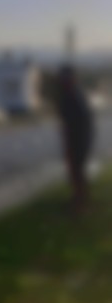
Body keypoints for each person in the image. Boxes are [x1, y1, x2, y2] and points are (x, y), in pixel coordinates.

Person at [53, 65, 94, 212]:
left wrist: (71, 144)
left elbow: (74, 122)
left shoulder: (71, 95)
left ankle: (80, 203)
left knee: (77, 171)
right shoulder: (72, 93)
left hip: (78, 139)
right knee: (76, 171)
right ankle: (80, 199)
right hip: (79, 138)